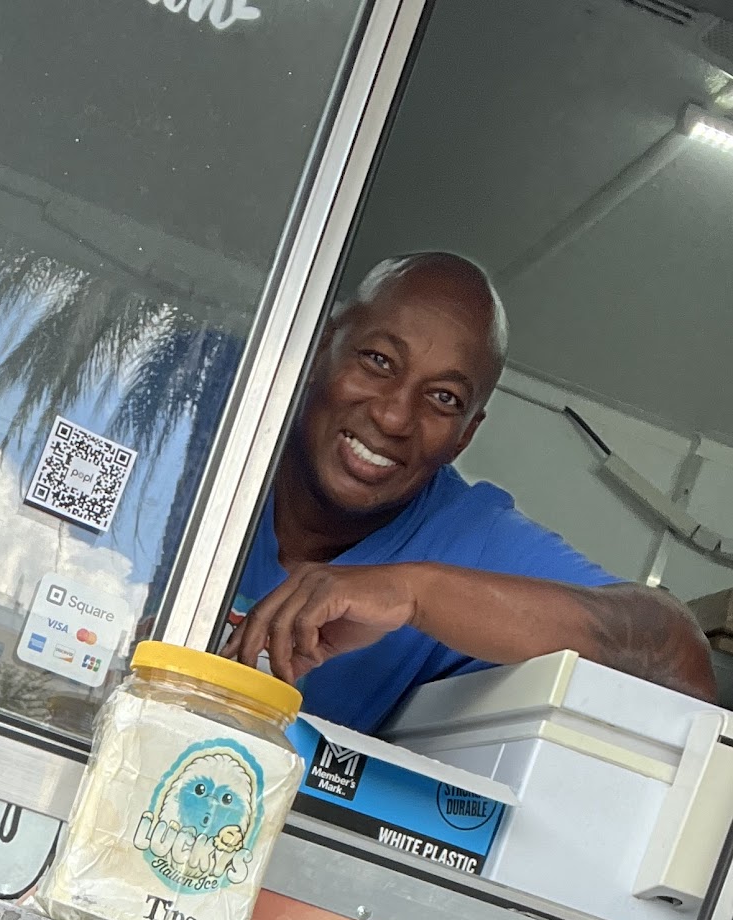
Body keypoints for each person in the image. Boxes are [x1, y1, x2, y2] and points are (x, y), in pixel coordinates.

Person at [224, 253, 717, 733]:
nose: (394, 417)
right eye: (378, 361)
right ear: (320, 350)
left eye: (444, 398)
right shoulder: (214, 409)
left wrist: (414, 592)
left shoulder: (468, 536)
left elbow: (679, 658)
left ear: (465, 436)